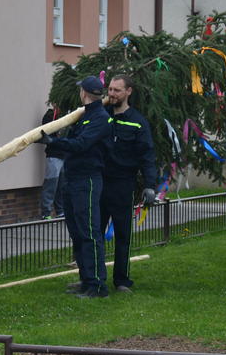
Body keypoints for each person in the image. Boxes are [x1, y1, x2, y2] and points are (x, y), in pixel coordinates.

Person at [43, 76, 111, 298]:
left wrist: (54, 142)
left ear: (84, 93)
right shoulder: (84, 115)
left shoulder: (100, 118)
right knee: (77, 232)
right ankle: (85, 279)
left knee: (89, 232)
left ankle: (97, 285)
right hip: (72, 179)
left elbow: (81, 144)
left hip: (87, 180)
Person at [99, 74, 157, 293]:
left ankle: (121, 281)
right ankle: (93, 280)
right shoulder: (102, 115)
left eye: (117, 90)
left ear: (128, 92)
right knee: (95, 233)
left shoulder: (137, 122)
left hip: (123, 185)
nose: (112, 94)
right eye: (110, 89)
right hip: (99, 182)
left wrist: (150, 185)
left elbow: (147, 156)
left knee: (122, 235)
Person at [37, 106, 65, 220]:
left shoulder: (68, 114)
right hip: (54, 155)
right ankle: (46, 212)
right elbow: (46, 131)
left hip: (65, 155)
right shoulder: (49, 115)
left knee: (61, 185)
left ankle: (60, 211)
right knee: (51, 184)